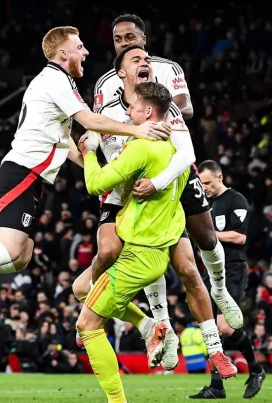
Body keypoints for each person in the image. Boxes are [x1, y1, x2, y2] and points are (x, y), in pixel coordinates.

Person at [0, 26, 170, 317]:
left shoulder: (58, 82)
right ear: (63, 53)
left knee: (22, 256)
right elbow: (89, 120)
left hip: (30, 177)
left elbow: (65, 142)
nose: (86, 52)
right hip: (20, 171)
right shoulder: (54, 79)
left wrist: (102, 171)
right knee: (12, 249)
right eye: (80, 47)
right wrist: (137, 130)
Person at [72, 45, 234, 375]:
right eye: (135, 57)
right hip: (128, 194)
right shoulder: (112, 105)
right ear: (121, 73)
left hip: (157, 189)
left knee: (190, 264)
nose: (144, 60)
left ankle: (208, 308)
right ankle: (158, 328)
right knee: (109, 251)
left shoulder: (161, 109)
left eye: (145, 55)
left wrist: (157, 182)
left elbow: (185, 152)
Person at [95, 13, 242, 334]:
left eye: (131, 38)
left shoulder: (165, 69)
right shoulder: (105, 85)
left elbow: (184, 108)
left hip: (174, 163)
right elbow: (99, 128)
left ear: (143, 39)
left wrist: (154, 106)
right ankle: (159, 322)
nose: (125, 42)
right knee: (148, 246)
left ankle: (220, 290)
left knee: (205, 236)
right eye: (119, 39)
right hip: (137, 173)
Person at [76, 82, 208, 403]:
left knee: (87, 325)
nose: (128, 113)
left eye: (133, 107)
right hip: (154, 253)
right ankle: (148, 325)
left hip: (136, 257)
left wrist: (90, 150)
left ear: (149, 112)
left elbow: (95, 185)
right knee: (81, 289)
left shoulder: (141, 148)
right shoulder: (172, 154)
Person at [193, 161, 266, 399]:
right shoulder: (206, 204)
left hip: (232, 270)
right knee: (210, 329)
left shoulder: (236, 200)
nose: (204, 188)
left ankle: (256, 369)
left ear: (220, 177)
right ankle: (216, 386)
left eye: (208, 183)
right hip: (209, 270)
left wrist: (208, 235)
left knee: (225, 327)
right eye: (201, 183)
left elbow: (240, 237)